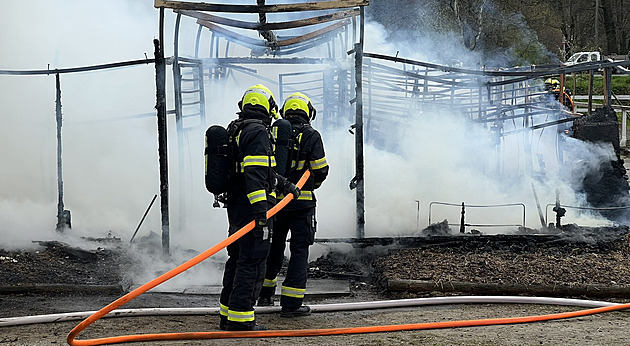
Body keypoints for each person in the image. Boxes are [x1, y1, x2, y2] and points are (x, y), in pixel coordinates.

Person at [257, 92, 329, 318]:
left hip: (276, 204)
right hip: (303, 205)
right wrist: (309, 184)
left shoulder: (274, 133)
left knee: (273, 247)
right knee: (299, 250)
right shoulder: (311, 135)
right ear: (308, 112)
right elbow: (320, 170)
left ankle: (265, 295)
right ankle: (292, 303)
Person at [218, 84, 278, 331]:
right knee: (251, 261)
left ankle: (227, 313)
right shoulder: (258, 132)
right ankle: (241, 319)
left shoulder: (237, 129)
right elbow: (254, 174)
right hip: (251, 207)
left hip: (236, 204)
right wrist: (261, 211)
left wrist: (286, 185)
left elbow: (262, 171)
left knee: (236, 257)